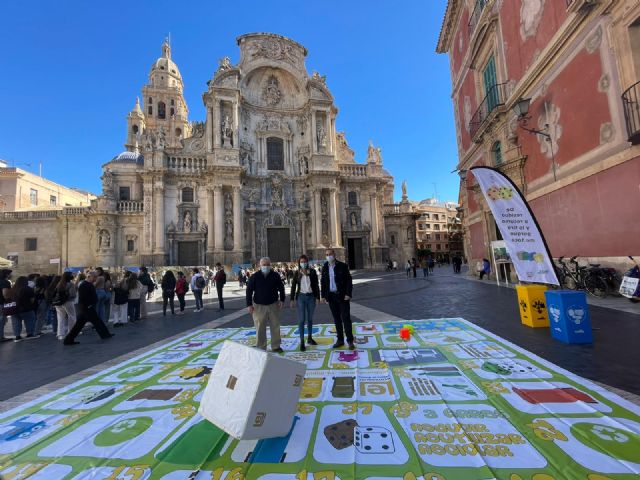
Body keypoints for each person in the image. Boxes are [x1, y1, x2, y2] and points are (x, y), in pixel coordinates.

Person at [246, 257, 285, 353]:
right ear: (260, 265)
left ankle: (276, 346)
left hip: (273, 304)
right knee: (260, 327)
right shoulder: (255, 276)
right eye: (264, 265)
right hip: (259, 306)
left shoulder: (275, 275)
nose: (266, 266)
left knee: (275, 326)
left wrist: (282, 299)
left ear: (270, 265)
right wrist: (249, 304)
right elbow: (249, 290)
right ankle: (261, 346)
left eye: (267, 264)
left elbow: (281, 288)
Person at [63, 271, 114, 345]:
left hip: (87, 307)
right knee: (86, 323)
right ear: (89, 277)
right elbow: (83, 298)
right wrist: (88, 305)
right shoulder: (84, 285)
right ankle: (68, 340)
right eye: (94, 277)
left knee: (94, 322)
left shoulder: (88, 284)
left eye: (96, 277)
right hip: (87, 308)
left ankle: (105, 334)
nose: (95, 279)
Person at [321, 248, 355, 350]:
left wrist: (348, 294)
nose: (328, 256)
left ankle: (350, 341)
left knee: (346, 318)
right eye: (327, 255)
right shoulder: (325, 267)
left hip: (342, 296)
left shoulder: (342, 266)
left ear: (334, 254)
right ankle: (340, 340)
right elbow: (323, 282)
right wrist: (323, 296)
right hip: (331, 297)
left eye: (330, 254)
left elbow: (349, 281)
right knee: (337, 319)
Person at [290, 254, 320, 351]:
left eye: (305, 261)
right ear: (299, 263)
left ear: (307, 262)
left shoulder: (312, 272)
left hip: (311, 297)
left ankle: (310, 338)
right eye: (301, 262)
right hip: (301, 297)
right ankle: (302, 341)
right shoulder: (296, 273)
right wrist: (292, 299)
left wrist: (318, 297)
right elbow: (293, 286)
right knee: (302, 319)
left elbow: (316, 285)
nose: (303, 263)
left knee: (310, 319)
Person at [4, 276, 39, 341]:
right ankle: (30, 334)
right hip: (26, 308)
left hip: (14, 309)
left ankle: (17, 336)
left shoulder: (13, 289)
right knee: (30, 320)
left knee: (16, 322)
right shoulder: (28, 289)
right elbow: (32, 300)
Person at [53, 272, 77, 340]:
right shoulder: (71, 284)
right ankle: (71, 332)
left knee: (60, 318)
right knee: (72, 316)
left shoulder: (59, 284)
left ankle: (60, 334)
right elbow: (73, 294)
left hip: (58, 303)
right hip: (68, 302)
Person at [0, 269, 13, 342]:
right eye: (10, 274)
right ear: (7, 274)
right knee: (1, 320)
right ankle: (1, 337)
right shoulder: (5, 282)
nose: (11, 275)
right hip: (1, 303)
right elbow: (5, 294)